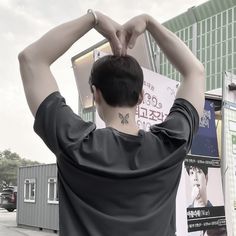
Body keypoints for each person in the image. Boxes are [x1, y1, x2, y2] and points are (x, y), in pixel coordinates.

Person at [18, 10, 205, 236]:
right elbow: (195, 72)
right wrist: (149, 22)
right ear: (141, 97)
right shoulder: (171, 145)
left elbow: (31, 59)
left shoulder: (74, 143)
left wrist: (93, 19)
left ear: (95, 94)